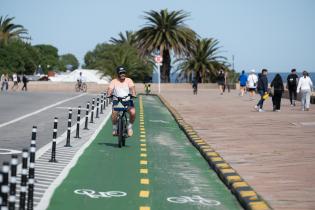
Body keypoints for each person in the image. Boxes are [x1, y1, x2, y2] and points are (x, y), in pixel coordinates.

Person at [107, 66, 136, 137]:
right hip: (118, 101)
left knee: (133, 112)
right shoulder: (114, 81)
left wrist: (134, 94)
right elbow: (110, 90)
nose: (122, 74)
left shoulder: (129, 80)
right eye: (121, 73)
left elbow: (132, 88)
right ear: (118, 74)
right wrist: (109, 94)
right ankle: (114, 128)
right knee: (114, 113)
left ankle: (129, 127)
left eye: (124, 73)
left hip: (127, 101)